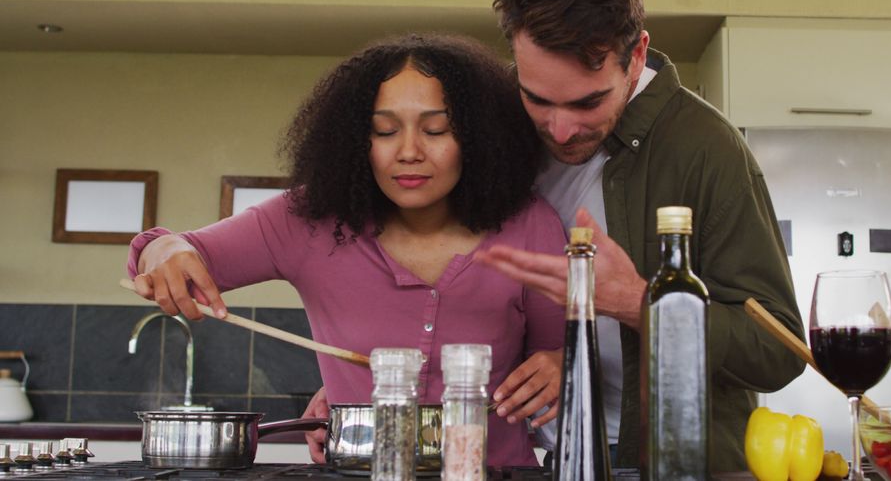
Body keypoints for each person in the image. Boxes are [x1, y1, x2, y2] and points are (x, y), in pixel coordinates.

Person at [127, 34, 566, 467]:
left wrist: (561, 365)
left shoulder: (531, 225)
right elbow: (172, 251)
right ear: (357, 141)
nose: (409, 151)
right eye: (385, 130)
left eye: (437, 129)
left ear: (478, 138)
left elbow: (560, 355)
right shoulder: (306, 220)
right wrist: (164, 251)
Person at [475, 0, 807, 472]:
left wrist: (638, 301)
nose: (559, 130)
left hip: (664, 463)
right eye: (537, 98)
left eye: (588, 103)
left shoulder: (708, 149)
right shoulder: (501, 134)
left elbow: (778, 351)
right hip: (533, 458)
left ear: (636, 57)